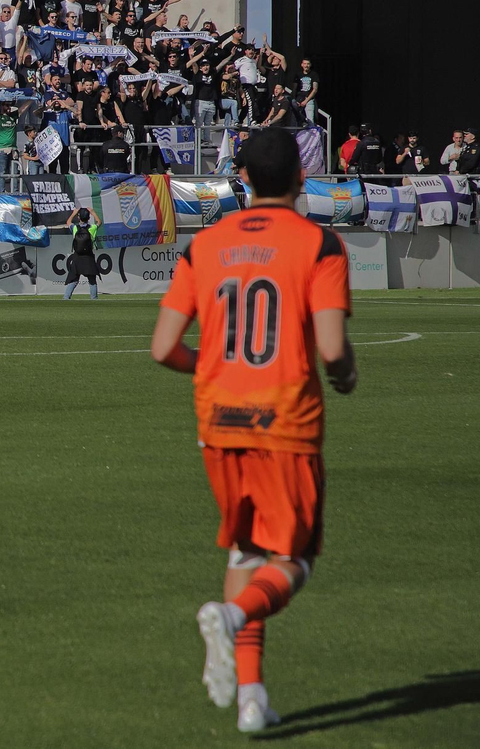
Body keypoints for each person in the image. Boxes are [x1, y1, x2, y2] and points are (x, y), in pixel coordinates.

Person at [150, 126, 357, 734]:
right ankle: (234, 616)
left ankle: (251, 698)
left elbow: (164, 348)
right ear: (301, 177)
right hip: (284, 421)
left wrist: (208, 365)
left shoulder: (205, 244)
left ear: (242, 178)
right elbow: (331, 347)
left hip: (218, 421)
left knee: (247, 551)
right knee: (293, 560)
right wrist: (345, 375)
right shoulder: (319, 243)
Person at [62, 207, 101, 300]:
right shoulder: (92, 228)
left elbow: (68, 222)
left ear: (79, 217)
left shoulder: (75, 228)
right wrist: (93, 212)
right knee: (92, 280)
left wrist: (74, 213)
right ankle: (94, 299)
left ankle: (66, 298)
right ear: (88, 218)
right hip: (88, 257)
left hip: (77, 257)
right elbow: (99, 222)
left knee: (74, 279)